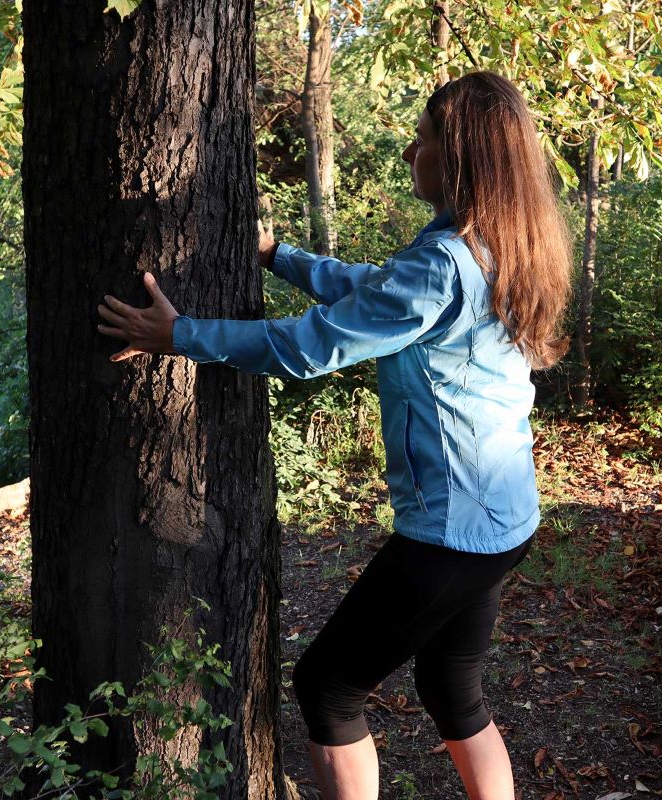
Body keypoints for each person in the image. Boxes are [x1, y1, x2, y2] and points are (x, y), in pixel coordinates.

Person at [96, 71, 573, 800]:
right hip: (508, 519)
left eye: (426, 139)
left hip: (452, 533)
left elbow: (307, 349)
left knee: (328, 687)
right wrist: (278, 256)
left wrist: (179, 336)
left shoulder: (445, 264)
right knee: (454, 689)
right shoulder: (498, 248)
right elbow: (375, 293)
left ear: (462, 159)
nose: (412, 149)